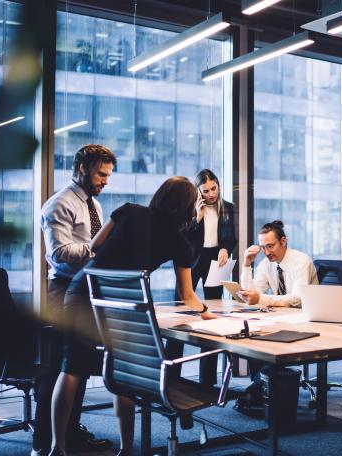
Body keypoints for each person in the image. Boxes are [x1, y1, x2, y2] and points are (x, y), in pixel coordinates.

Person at [48, 176, 218, 456]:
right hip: (124, 301)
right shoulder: (180, 242)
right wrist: (207, 314)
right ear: (188, 207)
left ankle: (57, 448)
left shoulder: (129, 210)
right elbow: (188, 296)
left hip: (85, 287)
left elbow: (96, 245)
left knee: (71, 367)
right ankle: (127, 449)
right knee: (122, 373)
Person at [36, 144, 116, 456]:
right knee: (59, 368)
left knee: (78, 366)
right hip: (62, 293)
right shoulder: (59, 204)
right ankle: (44, 443)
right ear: (82, 168)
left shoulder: (93, 205)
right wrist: (99, 247)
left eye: (108, 175)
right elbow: (59, 256)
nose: (105, 180)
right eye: (101, 173)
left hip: (84, 292)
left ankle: (70, 432)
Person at [236, 220, 318, 413]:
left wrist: (261, 298)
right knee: (252, 335)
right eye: (263, 247)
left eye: (270, 246)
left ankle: (261, 388)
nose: (266, 252)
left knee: (263, 339)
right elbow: (252, 292)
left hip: (306, 318)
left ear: (284, 241)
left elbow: (297, 299)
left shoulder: (301, 261)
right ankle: (261, 386)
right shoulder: (267, 264)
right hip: (283, 317)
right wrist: (247, 265)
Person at [187, 169, 236, 299]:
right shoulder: (189, 208)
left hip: (216, 259)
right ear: (198, 191)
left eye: (214, 188)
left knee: (215, 301)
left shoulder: (228, 207)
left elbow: (231, 237)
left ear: (218, 185)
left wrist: (225, 249)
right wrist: (197, 217)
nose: (211, 194)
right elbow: (183, 236)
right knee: (183, 300)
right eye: (206, 191)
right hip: (193, 258)